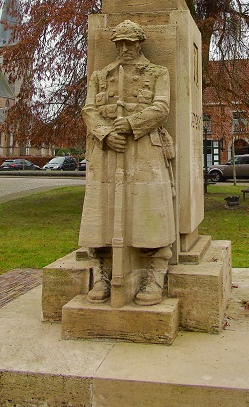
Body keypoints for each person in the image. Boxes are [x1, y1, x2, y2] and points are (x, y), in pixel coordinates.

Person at [78, 20, 176, 305]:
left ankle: (154, 276)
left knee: (150, 212)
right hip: (106, 150)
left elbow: (161, 107)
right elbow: (89, 109)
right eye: (119, 43)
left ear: (139, 43)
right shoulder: (101, 75)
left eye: (129, 43)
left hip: (145, 148)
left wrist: (131, 124)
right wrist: (106, 133)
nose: (124, 48)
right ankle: (102, 274)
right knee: (101, 214)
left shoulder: (158, 73)